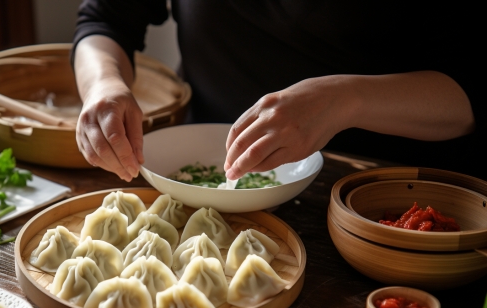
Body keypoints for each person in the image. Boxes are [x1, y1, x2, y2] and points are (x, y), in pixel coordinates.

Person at [72, 1, 484, 182]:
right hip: (199, 167)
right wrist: (103, 86)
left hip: (381, 193)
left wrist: (345, 100)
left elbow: (470, 93)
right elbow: (105, 20)